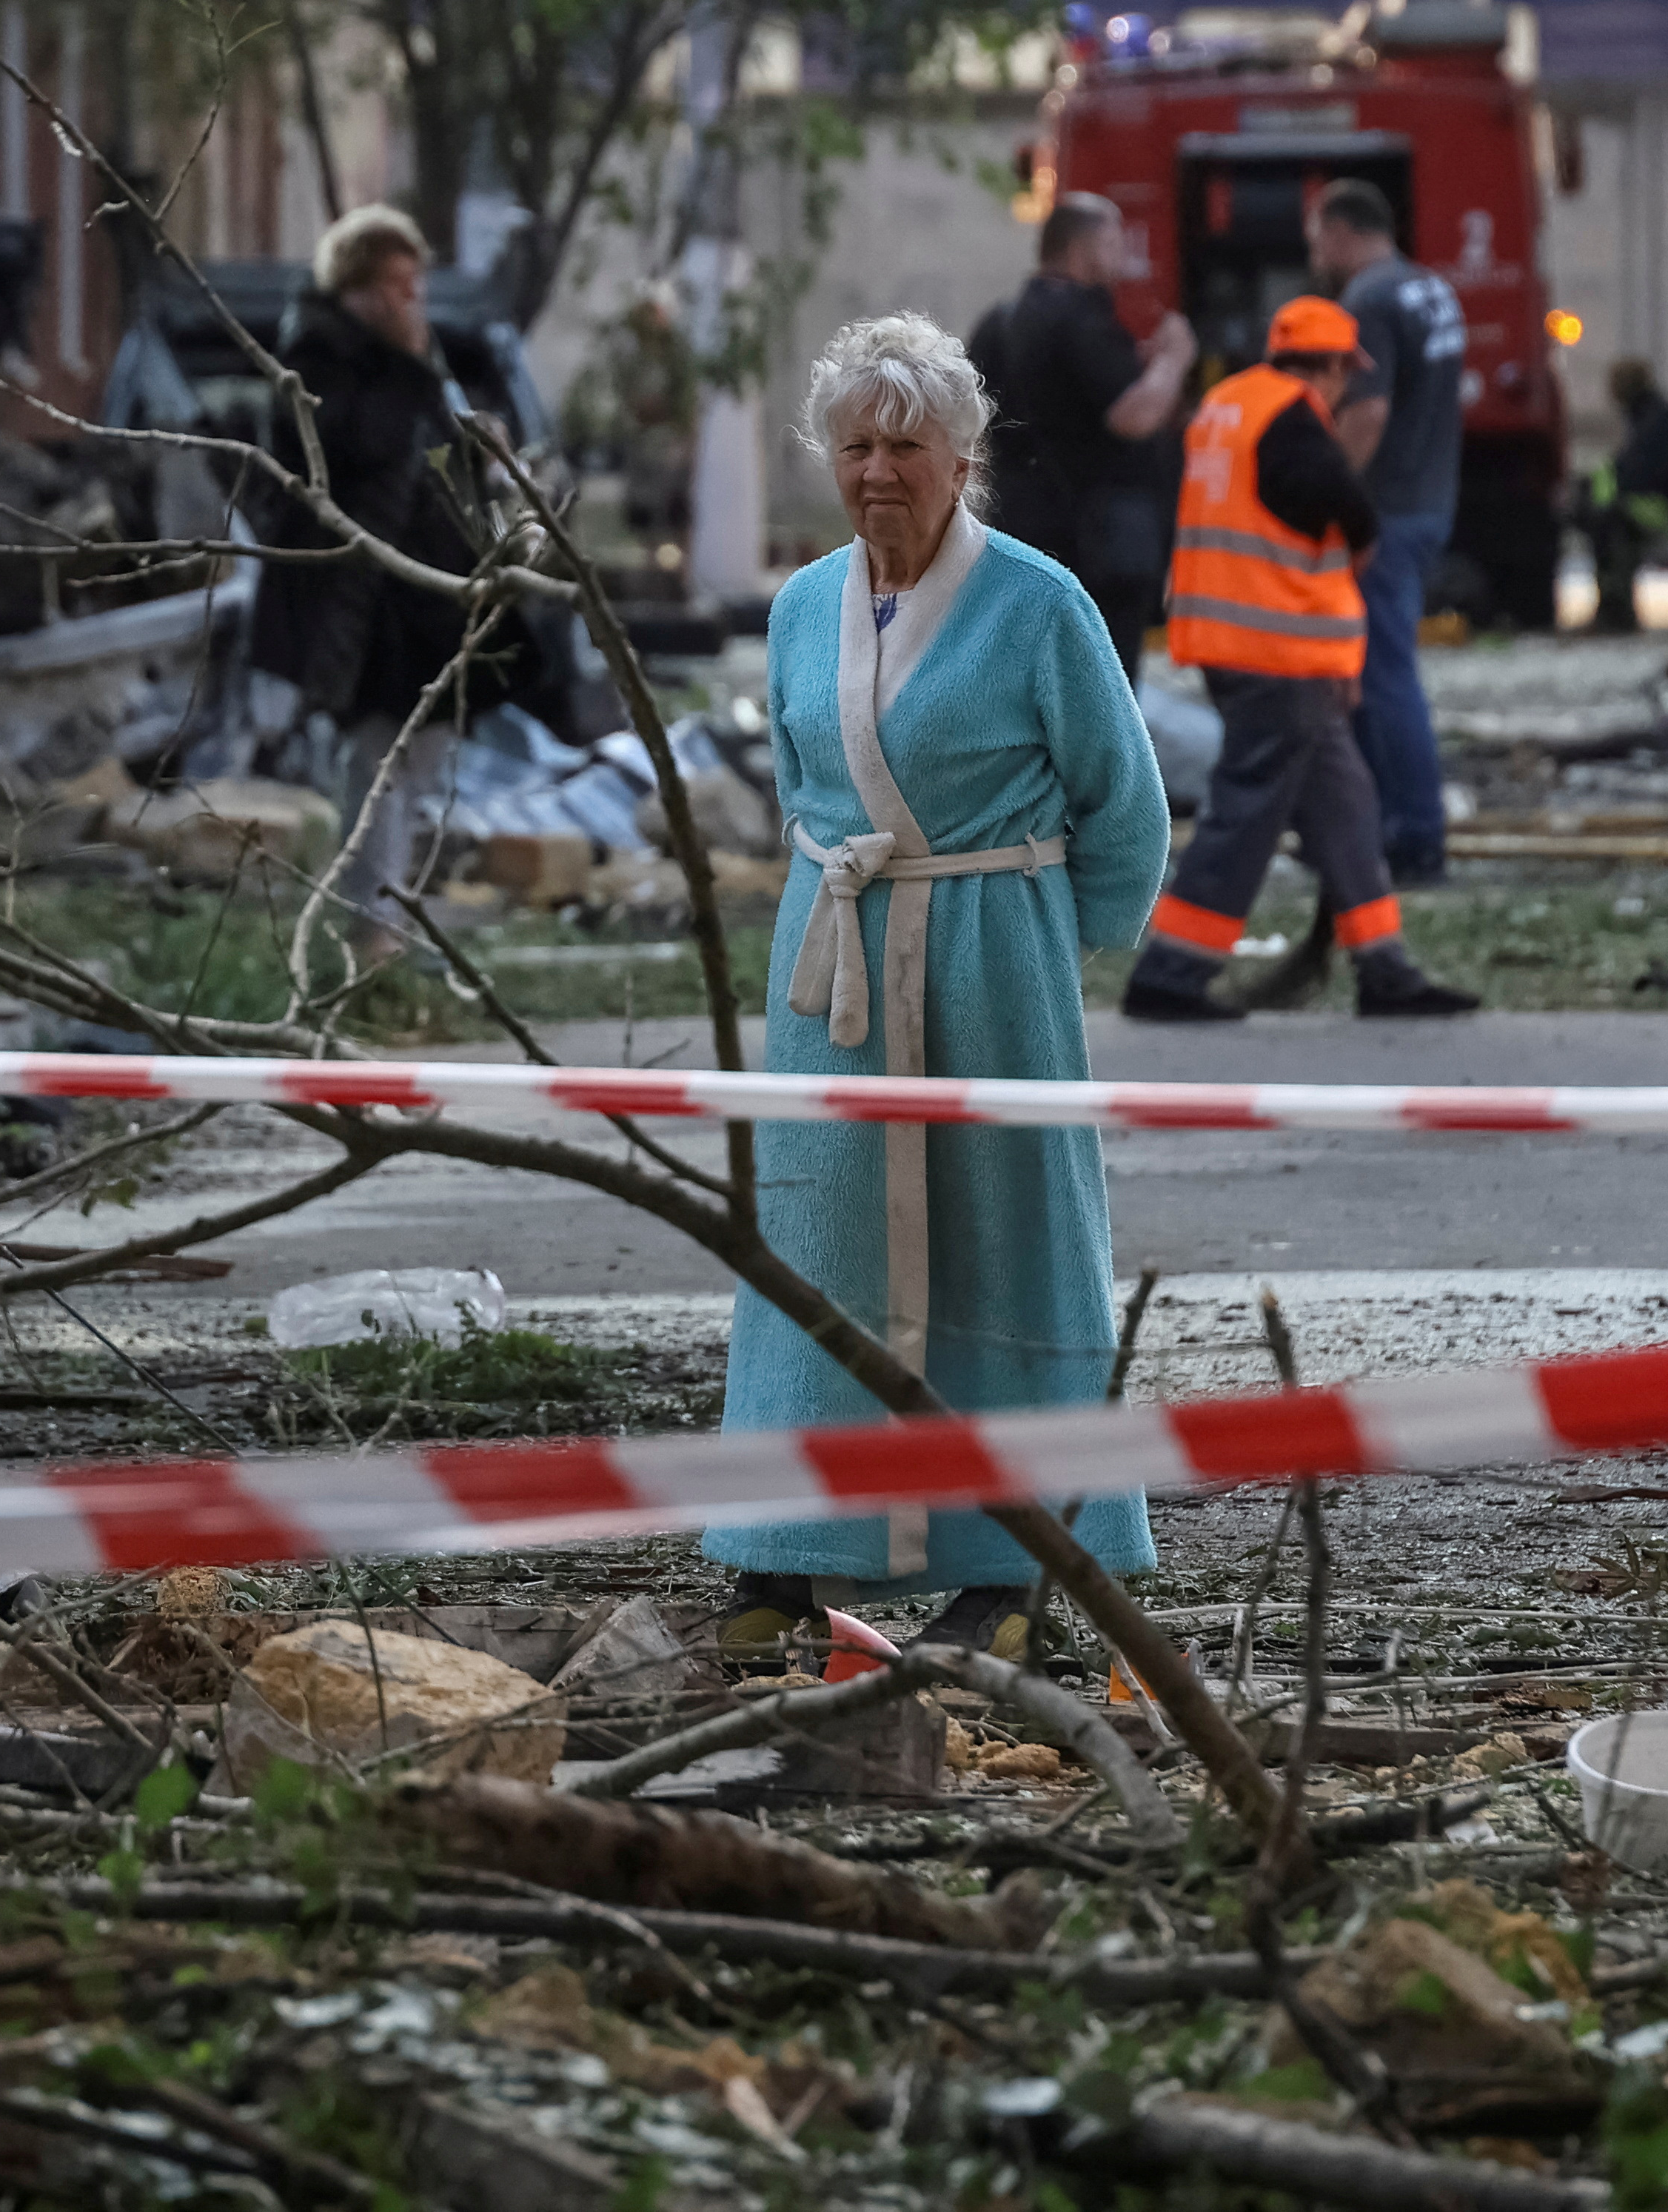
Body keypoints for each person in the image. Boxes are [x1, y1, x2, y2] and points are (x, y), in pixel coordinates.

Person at [710, 313, 1172, 1665]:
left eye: (905, 444)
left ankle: (1015, 1564)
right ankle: (781, 1549)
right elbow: (804, 793)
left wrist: (1031, 943)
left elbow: (1125, 812)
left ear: (959, 458)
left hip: (990, 960)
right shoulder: (803, 607)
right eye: (855, 444)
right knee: (818, 1234)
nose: (876, 471)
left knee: (1008, 1242)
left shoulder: (1040, 605)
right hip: (833, 965)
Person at [1120, 297, 1479, 1023]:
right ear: (1336, 366)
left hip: (1241, 644)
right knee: (1246, 810)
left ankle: (1384, 968)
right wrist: (1359, 537)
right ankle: (1170, 973)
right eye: (1348, 370)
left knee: (1345, 801)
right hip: (1276, 651)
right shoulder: (1291, 416)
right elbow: (1341, 503)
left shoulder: (1224, 405)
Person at [246, 206, 518, 932]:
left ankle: (388, 909)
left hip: (420, 601)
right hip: (359, 606)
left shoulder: (412, 362)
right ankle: (369, 928)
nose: (411, 301)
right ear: (355, 289)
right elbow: (363, 447)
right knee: (376, 761)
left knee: (416, 758)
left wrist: (475, 449)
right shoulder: (317, 359)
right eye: (396, 286)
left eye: (415, 285)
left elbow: (427, 459)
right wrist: (408, 366)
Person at [968, 193, 1197, 682]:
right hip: (1097, 551)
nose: (1124, 258)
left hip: (1020, 541)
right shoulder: (1083, 321)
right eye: (1114, 244)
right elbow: (1132, 415)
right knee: (1103, 690)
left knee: (1033, 688)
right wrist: (1173, 358)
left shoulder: (999, 322)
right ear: (1081, 249)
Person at [1307, 178, 1462, 881]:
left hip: (1384, 514)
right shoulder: (1429, 288)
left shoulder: (1366, 301)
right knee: (1379, 671)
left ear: (1340, 232)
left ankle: (1412, 836)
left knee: (1381, 675)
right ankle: (1389, 827)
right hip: (1428, 499)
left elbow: (1365, 415)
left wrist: (1318, 498)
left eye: (1317, 239)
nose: (1315, 253)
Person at [1574, 358, 1668, 634]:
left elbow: (1635, 473)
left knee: (1609, 525)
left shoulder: (1654, 421)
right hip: (1662, 502)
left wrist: (1592, 496)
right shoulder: (1653, 416)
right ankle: (1615, 610)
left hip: (1664, 506)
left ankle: (1615, 611)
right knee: (1605, 522)